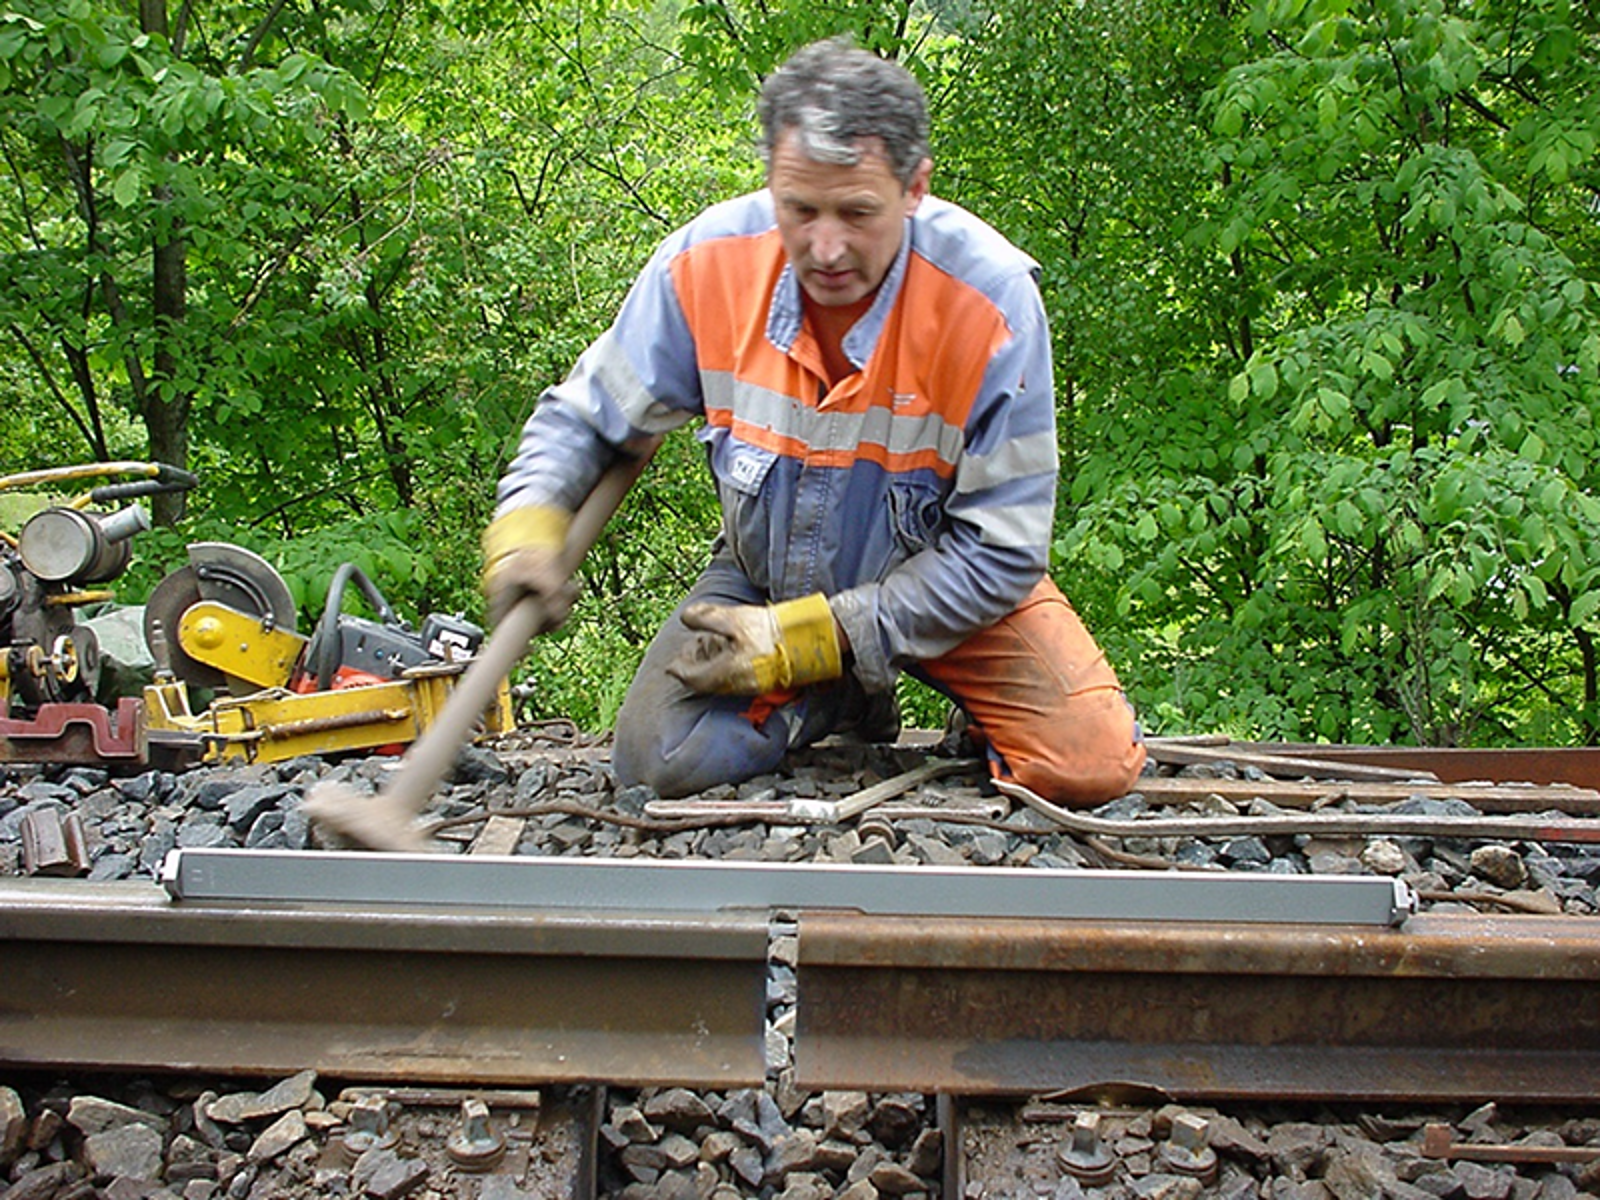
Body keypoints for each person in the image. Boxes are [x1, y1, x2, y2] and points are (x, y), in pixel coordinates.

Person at [483, 38, 1146, 805]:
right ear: (771, 183)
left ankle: (845, 670)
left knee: (1088, 764)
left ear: (915, 187)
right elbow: (588, 418)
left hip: (944, 591)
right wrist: (528, 524)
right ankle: (842, 696)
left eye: (857, 212)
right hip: (766, 577)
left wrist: (815, 640)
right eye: (800, 210)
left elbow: (1003, 552)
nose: (825, 247)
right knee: (659, 759)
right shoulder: (707, 266)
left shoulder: (989, 305)